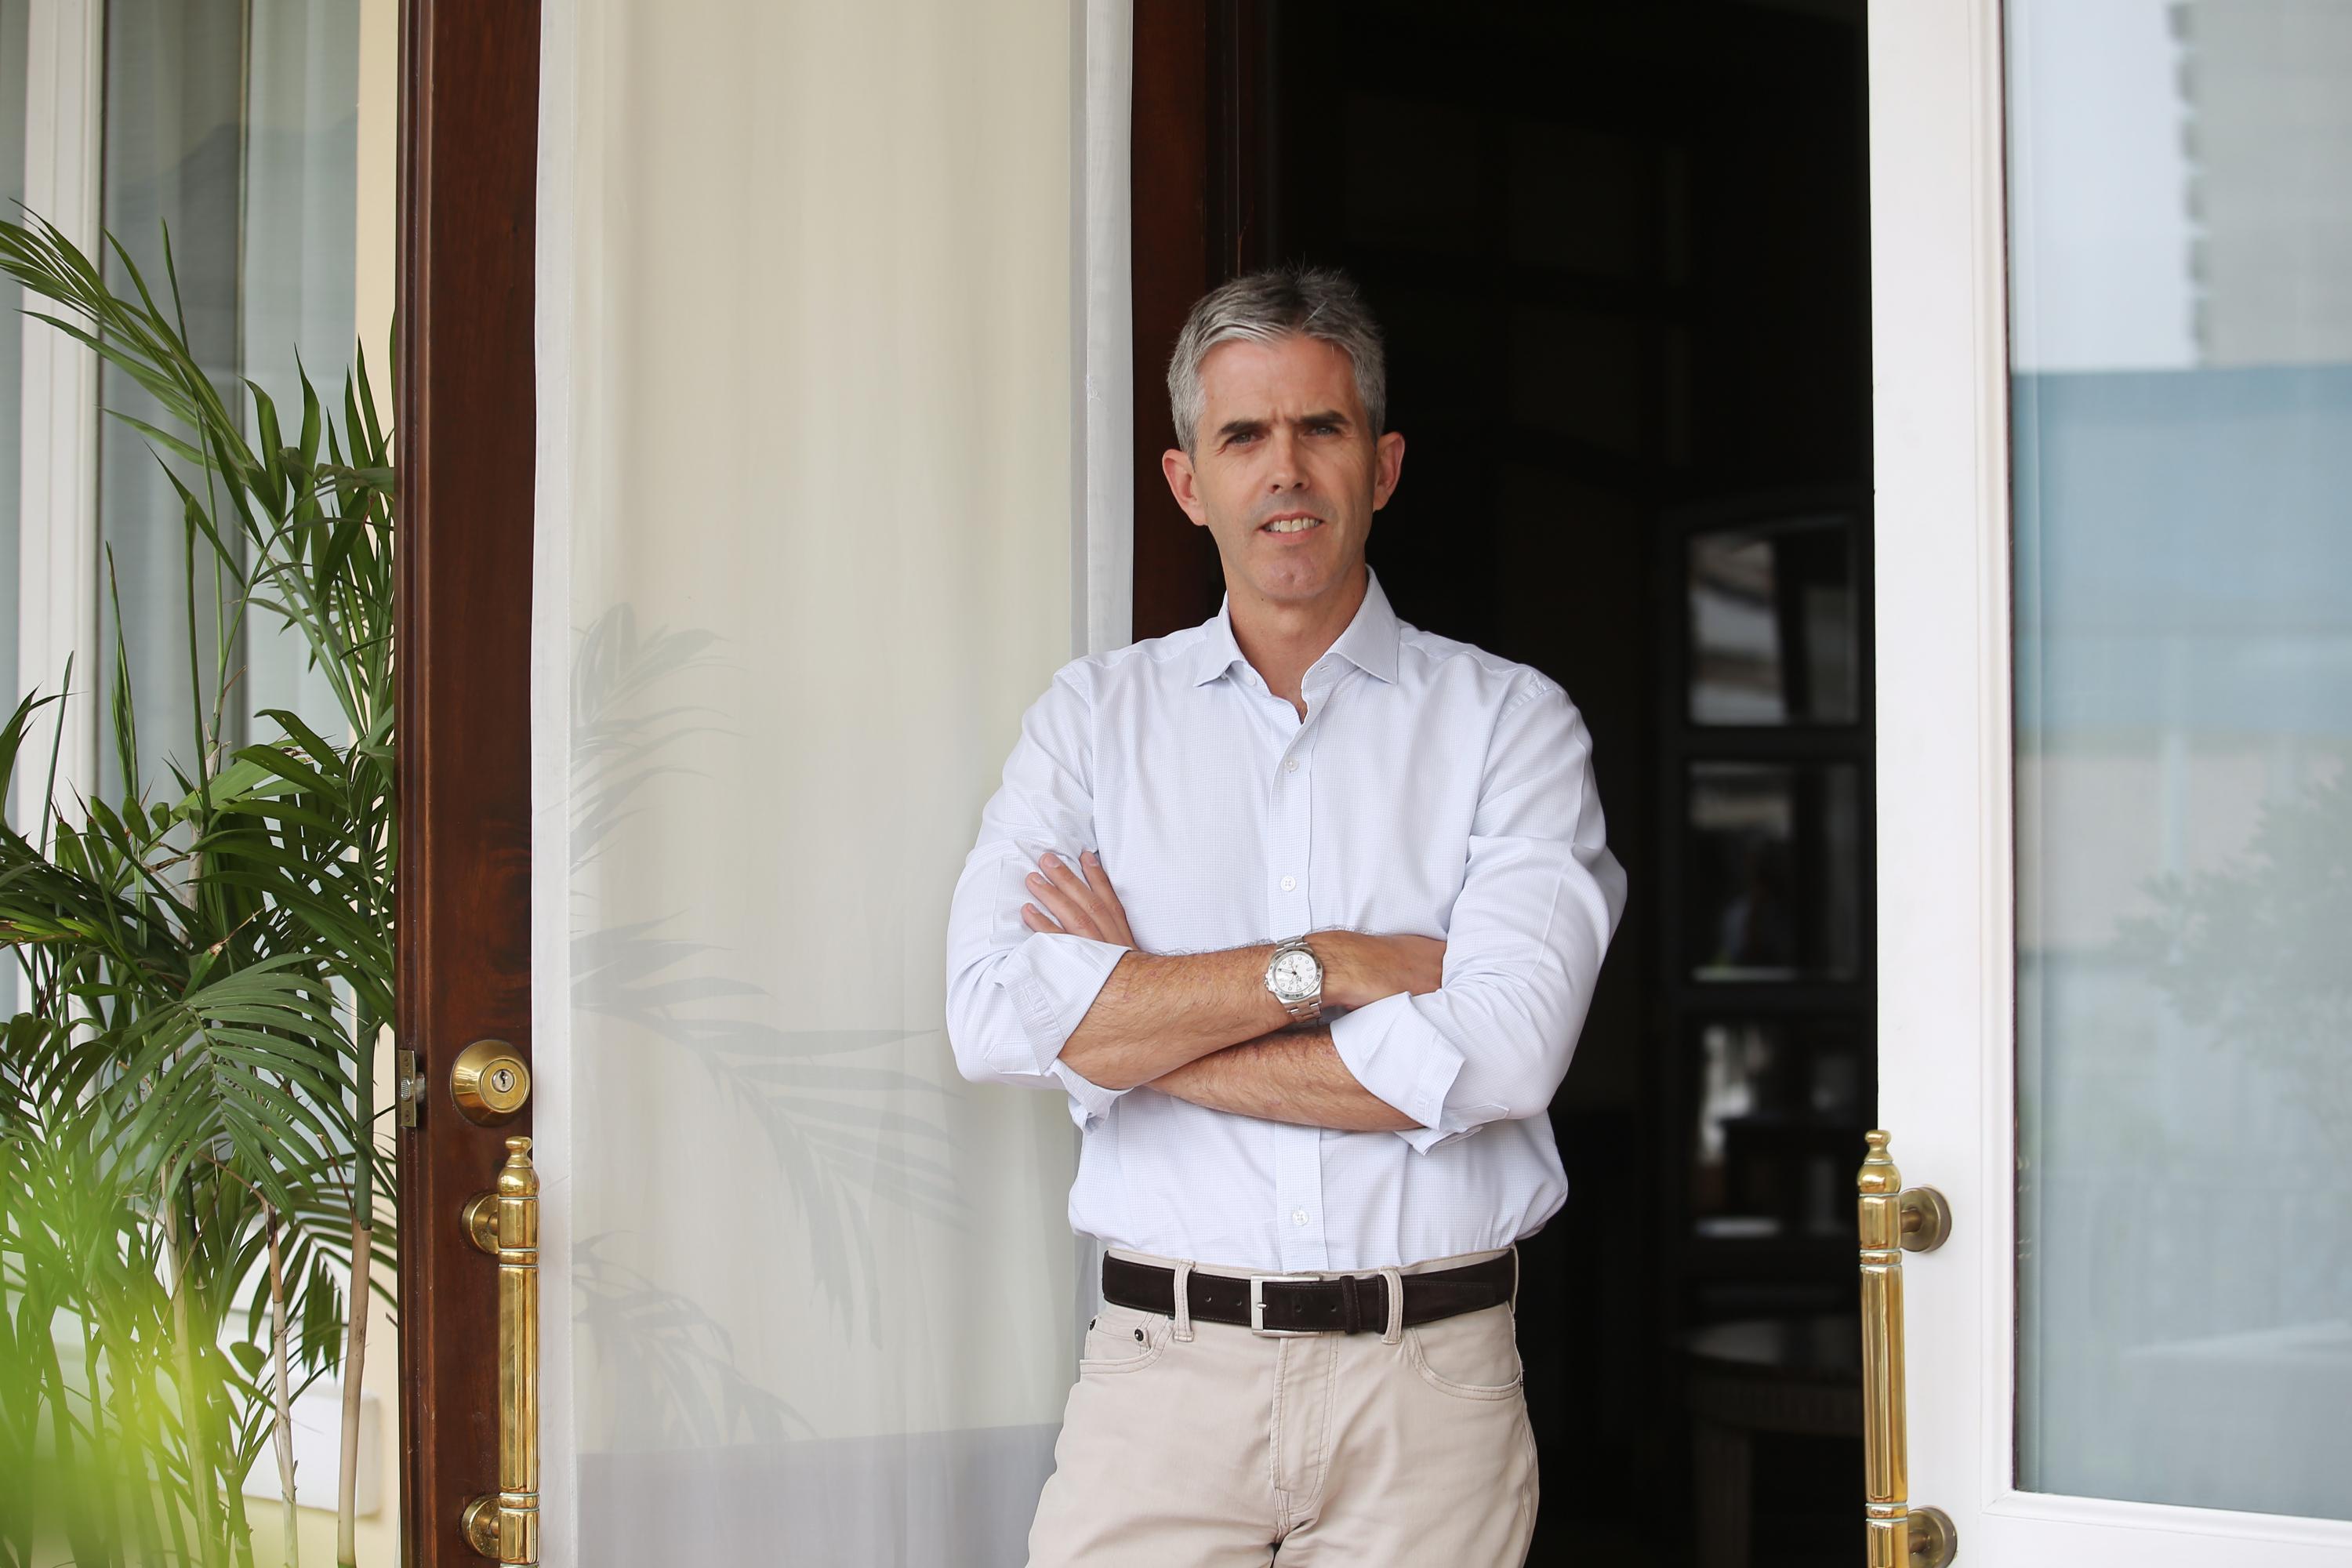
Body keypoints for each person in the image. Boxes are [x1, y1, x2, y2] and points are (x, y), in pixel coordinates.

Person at [945, 266, 1625, 1566]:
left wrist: (1139, 1013)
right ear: (1188, 482)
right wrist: (1344, 970)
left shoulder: (1509, 726)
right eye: (1243, 436)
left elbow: (1506, 1052)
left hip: (1429, 1391)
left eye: (1322, 428)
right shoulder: (1093, 724)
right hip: (1162, 1384)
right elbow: (990, 1015)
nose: (1287, 470)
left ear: (1384, 464)